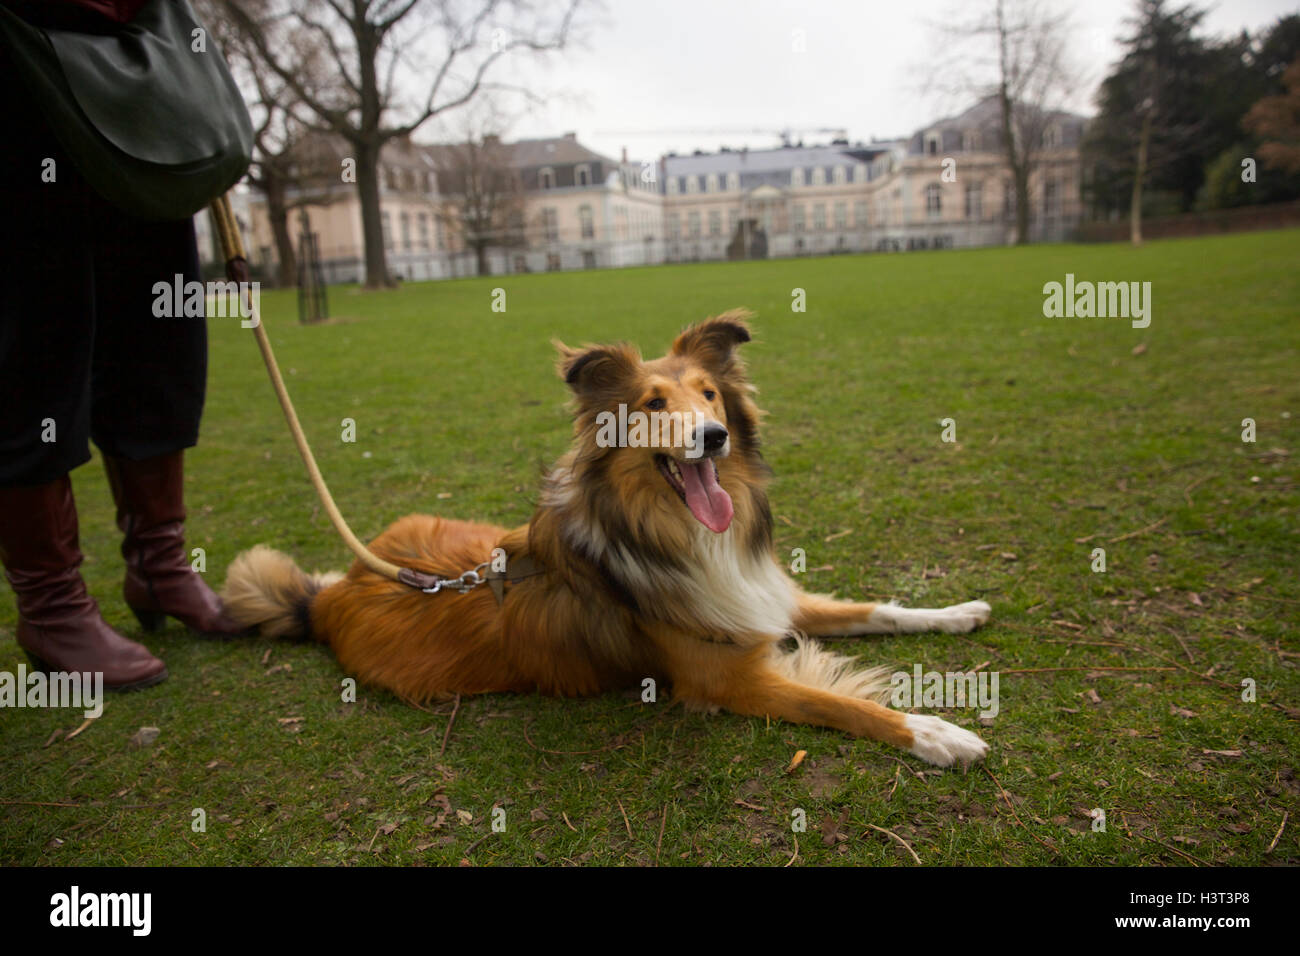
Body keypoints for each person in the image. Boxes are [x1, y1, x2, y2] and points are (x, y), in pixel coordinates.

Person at [0, 0, 243, 691]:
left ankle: (159, 566)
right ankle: (51, 606)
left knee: (157, 337)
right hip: (22, 69)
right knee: (34, 334)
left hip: (139, 84)